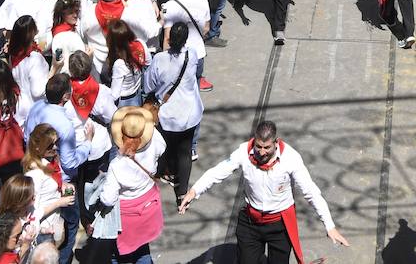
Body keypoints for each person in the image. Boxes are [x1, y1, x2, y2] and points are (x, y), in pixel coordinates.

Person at [178, 118, 349, 260]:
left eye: (267, 147)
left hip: (280, 225)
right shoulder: (243, 152)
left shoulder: (291, 158)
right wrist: (194, 191)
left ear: (276, 142)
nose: (261, 152)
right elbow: (218, 172)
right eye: (258, 146)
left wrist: (330, 225)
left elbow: (311, 192)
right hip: (250, 222)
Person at [96, 106, 165, 264]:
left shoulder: (116, 165)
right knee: (142, 247)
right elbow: (162, 148)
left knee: (122, 255)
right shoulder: (156, 140)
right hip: (149, 204)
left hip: (128, 217)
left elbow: (108, 199)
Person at [143, 22, 201, 209]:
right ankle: (182, 194)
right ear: (185, 39)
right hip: (188, 113)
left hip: (166, 115)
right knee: (184, 153)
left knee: (162, 150)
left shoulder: (159, 59)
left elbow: (148, 86)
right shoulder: (191, 55)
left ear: (168, 39)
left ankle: (151, 187)